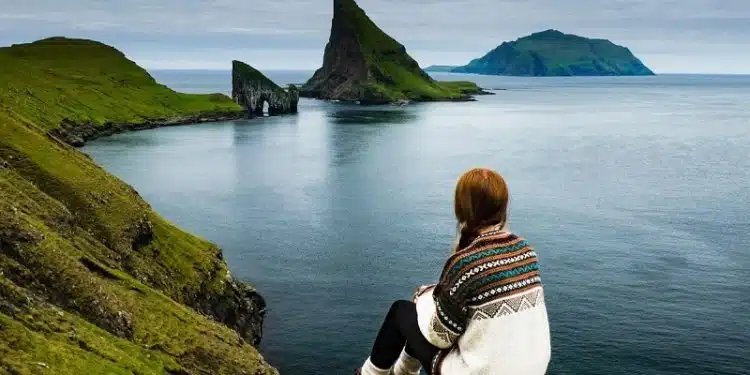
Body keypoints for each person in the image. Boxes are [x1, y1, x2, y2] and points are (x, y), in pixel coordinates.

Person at [357, 168, 551, 375]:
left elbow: (440, 335)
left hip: (482, 371)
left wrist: (423, 298)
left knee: (402, 312)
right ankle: (403, 372)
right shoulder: (525, 251)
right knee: (428, 312)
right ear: (503, 207)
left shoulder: (466, 262)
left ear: (461, 208)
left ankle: (370, 374)